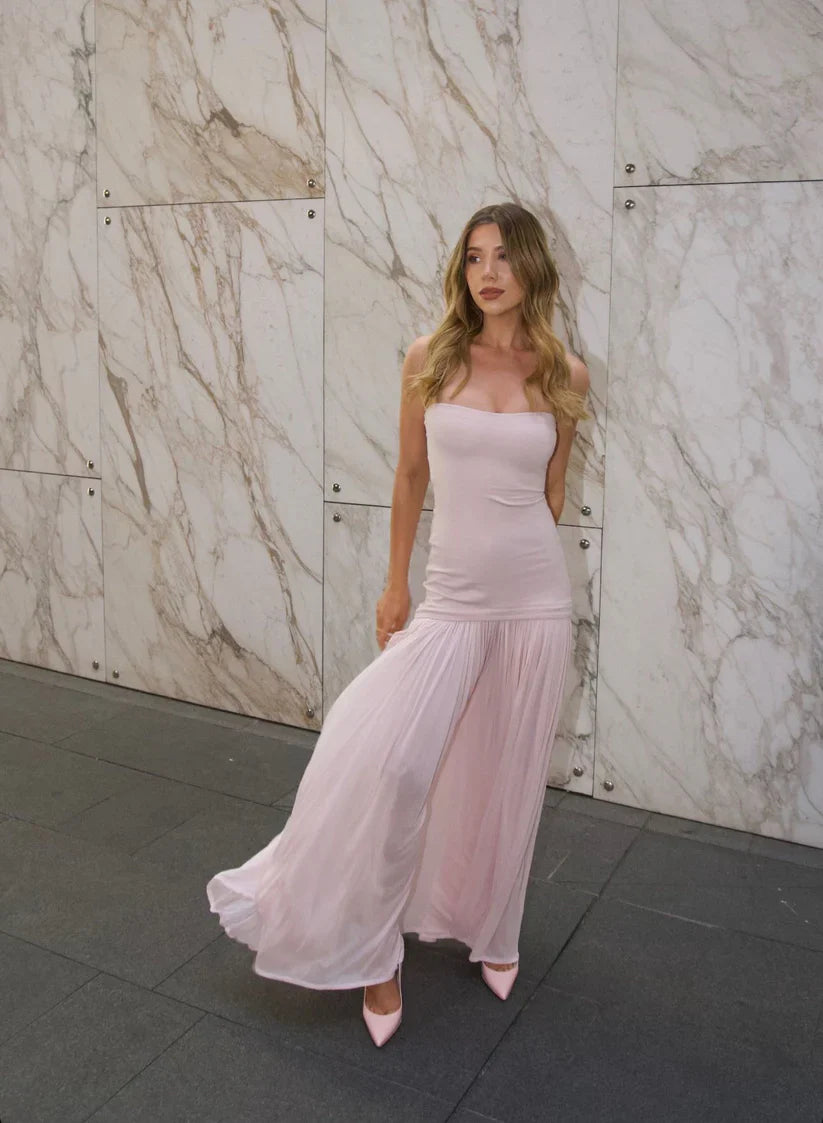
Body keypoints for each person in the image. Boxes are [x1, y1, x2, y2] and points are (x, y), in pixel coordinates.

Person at [206, 200, 591, 1048]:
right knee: (390, 765)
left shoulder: (563, 370)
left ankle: (492, 930)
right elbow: (411, 475)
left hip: (534, 601)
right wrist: (394, 585)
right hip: (450, 599)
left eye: (503, 256)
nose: (487, 273)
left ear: (531, 266)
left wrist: (526, 571)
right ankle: (371, 955)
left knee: (505, 771)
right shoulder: (431, 357)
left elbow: (552, 489)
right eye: (473, 257)